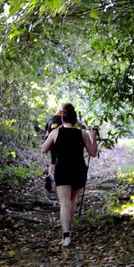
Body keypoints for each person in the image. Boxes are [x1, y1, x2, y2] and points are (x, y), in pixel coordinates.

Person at [41, 103, 98, 247]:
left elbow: (43, 149)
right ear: (75, 120)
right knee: (72, 201)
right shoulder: (82, 133)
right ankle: (69, 230)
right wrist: (93, 136)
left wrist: (50, 139)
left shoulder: (56, 132)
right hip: (78, 169)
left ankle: (66, 235)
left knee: (64, 203)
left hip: (62, 169)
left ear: (62, 119)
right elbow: (93, 152)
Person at [43, 103, 68, 192]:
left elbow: (46, 133)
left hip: (51, 143)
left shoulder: (51, 119)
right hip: (62, 143)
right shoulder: (64, 119)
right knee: (62, 162)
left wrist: (47, 145)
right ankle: (60, 182)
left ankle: (50, 175)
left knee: (53, 161)